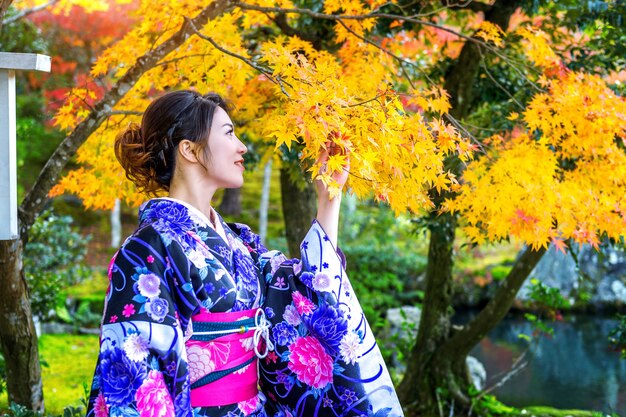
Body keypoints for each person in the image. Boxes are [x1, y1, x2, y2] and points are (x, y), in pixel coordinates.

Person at [86, 90, 404, 417]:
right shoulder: (147, 248)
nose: (242, 146)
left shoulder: (242, 241)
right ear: (190, 150)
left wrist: (329, 199)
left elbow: (302, 290)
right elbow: (134, 367)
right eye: (228, 133)